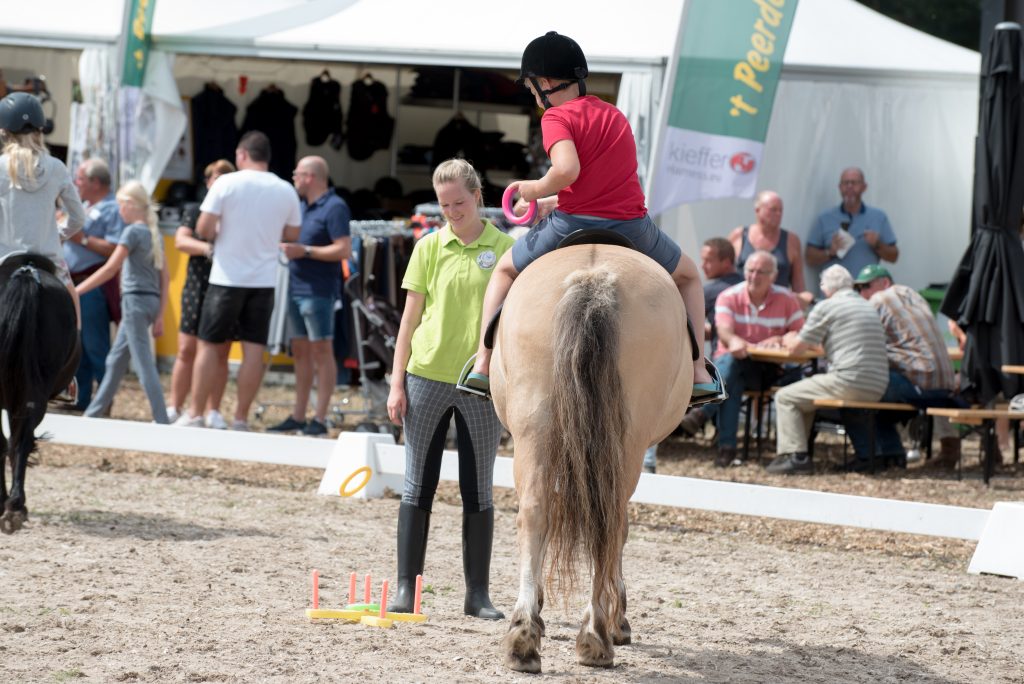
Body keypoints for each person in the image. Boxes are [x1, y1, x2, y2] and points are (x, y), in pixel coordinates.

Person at [460, 31, 723, 405]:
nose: (534, 95)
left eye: (533, 88)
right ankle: (698, 372)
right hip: (633, 227)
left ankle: (482, 366)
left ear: (546, 83)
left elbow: (567, 171)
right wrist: (551, 201)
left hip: (572, 225)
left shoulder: (556, 116)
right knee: (689, 276)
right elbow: (600, 184)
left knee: (503, 271)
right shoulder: (614, 114)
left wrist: (534, 190)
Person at [386, 158, 512, 620]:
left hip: (480, 382)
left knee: (478, 489)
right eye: (444, 205)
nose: (452, 211)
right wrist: (397, 380)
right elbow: (409, 320)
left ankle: (477, 594)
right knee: (418, 483)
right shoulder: (428, 247)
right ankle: (407, 589)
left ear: (478, 196)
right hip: (426, 376)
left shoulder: (505, 249)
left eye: (459, 202)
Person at [174, 131, 301, 430]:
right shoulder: (285, 189)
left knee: (208, 346)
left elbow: (204, 230)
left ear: (241, 155)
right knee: (253, 351)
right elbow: (293, 234)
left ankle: (195, 414)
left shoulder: (227, 183)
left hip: (226, 277)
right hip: (264, 280)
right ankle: (241, 418)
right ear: (266, 156)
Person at [0, 92, 85, 401]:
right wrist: (56, 234)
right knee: (72, 302)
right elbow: (78, 216)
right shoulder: (56, 168)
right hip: (48, 259)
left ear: (3, 132)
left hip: (4, 259)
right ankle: (67, 376)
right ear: (40, 130)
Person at [683, 251, 804, 466]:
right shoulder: (729, 296)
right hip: (733, 363)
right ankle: (726, 449)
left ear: (773, 276)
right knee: (732, 370)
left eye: (761, 272)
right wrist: (733, 341)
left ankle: (703, 412)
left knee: (730, 368)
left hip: (766, 368)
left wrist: (780, 337)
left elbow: (800, 333)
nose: (754, 276)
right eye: (750, 270)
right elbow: (724, 331)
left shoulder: (787, 298)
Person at [769, 265, 889, 474]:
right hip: (878, 384)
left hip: (848, 380)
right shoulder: (866, 306)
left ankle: (795, 457)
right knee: (802, 399)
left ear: (825, 287)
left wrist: (788, 339)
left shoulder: (827, 306)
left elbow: (797, 350)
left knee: (785, 397)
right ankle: (800, 452)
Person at [268, 156, 352, 437]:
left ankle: (320, 417)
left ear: (310, 177)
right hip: (296, 288)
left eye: (297, 174)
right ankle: (299, 415)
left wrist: (304, 251)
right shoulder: (299, 205)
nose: (294, 179)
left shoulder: (335, 207)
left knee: (321, 351)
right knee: (301, 353)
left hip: (318, 292)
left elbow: (343, 250)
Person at [77, 181, 169, 423]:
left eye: (121, 205)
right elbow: (165, 278)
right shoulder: (153, 233)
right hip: (148, 302)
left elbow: (110, 269)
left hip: (135, 302)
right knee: (115, 360)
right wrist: (159, 314)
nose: (119, 211)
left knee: (143, 365)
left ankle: (162, 420)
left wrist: (77, 290)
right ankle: (94, 413)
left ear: (130, 205)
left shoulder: (132, 233)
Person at [854, 264, 961, 465]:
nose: (862, 293)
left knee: (862, 386)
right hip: (946, 383)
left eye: (866, 286)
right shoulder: (914, 295)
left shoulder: (879, 299)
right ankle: (898, 452)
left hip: (920, 384)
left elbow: (860, 340)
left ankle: (885, 454)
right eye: (859, 289)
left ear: (884, 283)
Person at [166, 159, 235, 428]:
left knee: (220, 353)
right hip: (198, 284)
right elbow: (181, 240)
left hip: (228, 285)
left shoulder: (235, 213)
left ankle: (213, 410)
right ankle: (175, 405)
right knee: (186, 350)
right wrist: (208, 249)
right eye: (214, 178)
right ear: (207, 182)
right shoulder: (196, 210)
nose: (218, 184)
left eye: (224, 179)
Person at [64, 158, 125, 412]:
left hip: (92, 286)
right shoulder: (87, 206)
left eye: (80, 179)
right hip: (75, 285)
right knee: (79, 345)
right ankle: (84, 399)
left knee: (96, 345)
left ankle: (104, 400)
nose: (76, 183)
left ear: (95, 182)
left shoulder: (112, 209)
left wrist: (83, 240)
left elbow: (114, 248)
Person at [806, 167, 899, 278]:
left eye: (854, 183)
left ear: (864, 187)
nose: (849, 187)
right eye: (845, 183)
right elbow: (809, 258)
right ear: (840, 187)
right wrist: (830, 252)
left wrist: (877, 244)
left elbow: (894, 257)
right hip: (835, 292)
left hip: (866, 291)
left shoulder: (878, 217)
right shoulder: (825, 218)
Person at [728, 190, 810, 301]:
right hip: (742, 306)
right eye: (773, 210)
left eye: (781, 210)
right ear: (757, 210)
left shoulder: (791, 241)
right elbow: (725, 274)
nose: (778, 214)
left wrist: (802, 302)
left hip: (778, 308)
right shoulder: (738, 236)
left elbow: (798, 284)